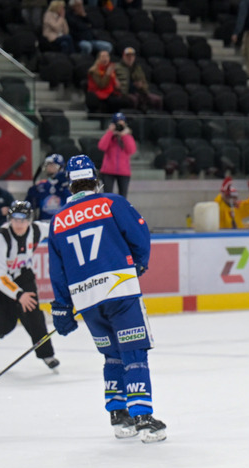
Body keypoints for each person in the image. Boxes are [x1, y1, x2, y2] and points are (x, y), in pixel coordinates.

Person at [47, 155, 167, 443]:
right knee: (133, 352)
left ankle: (118, 414)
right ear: (95, 179)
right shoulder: (111, 203)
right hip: (120, 293)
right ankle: (142, 417)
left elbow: (57, 270)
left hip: (88, 302)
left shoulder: (58, 220)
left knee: (111, 355)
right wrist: (138, 264)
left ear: (71, 185)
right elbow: (140, 233)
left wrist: (63, 307)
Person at [0, 200, 59, 370]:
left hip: (23, 275)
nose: (19, 224)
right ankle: (0, 326)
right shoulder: (0, 238)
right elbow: (0, 276)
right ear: (10, 219)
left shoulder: (37, 229)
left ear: (30, 219)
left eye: (23, 220)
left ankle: (47, 354)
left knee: (34, 315)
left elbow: (60, 225)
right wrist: (18, 295)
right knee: (4, 327)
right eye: (15, 220)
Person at [98, 112, 137, 198]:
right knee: (107, 196)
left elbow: (131, 150)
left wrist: (124, 135)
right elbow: (101, 147)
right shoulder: (109, 136)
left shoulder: (127, 136)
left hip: (124, 171)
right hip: (108, 170)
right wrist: (110, 132)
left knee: (123, 197)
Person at [115, 46, 163, 112]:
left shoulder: (138, 68)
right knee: (134, 100)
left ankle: (156, 119)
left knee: (157, 100)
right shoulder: (116, 67)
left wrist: (141, 86)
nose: (130, 58)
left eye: (132, 56)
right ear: (123, 56)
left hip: (139, 92)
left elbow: (144, 82)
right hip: (124, 93)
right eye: (128, 56)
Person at [26, 154, 72, 221]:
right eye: (48, 165)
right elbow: (31, 205)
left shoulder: (68, 184)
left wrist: (64, 187)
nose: (49, 167)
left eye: (52, 165)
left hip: (63, 222)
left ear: (60, 167)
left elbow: (72, 203)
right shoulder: (42, 186)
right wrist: (31, 193)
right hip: (43, 223)